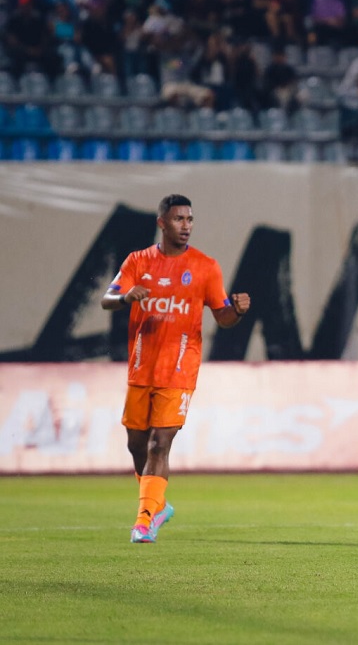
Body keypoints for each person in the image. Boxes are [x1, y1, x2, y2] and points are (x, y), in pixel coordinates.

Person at [101, 194, 251, 543]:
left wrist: (238, 311)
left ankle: (144, 521)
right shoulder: (138, 261)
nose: (186, 226)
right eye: (178, 219)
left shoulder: (205, 266)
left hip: (180, 370)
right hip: (142, 368)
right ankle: (159, 505)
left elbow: (223, 317)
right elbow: (107, 299)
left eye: (190, 219)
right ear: (162, 223)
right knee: (136, 445)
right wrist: (125, 298)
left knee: (159, 444)